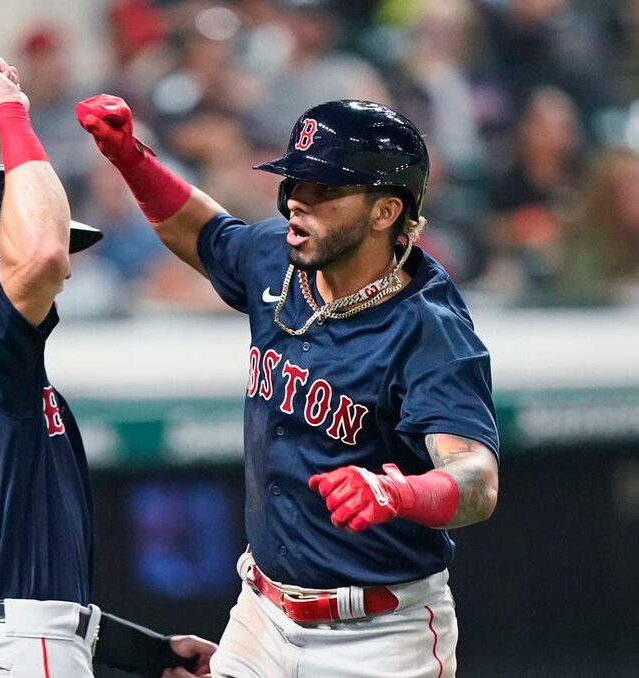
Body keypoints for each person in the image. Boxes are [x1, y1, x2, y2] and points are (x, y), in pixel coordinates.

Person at [76, 94, 500, 677]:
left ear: (385, 212)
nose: (298, 201)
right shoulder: (280, 258)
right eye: (295, 183)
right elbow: (203, 232)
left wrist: (400, 493)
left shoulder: (429, 330)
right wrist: (131, 159)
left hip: (379, 637)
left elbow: (476, 481)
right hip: (262, 611)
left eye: (325, 190)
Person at [0, 58, 216, 678]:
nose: (68, 263)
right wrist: (11, 113)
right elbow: (37, 256)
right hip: (15, 655)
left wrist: (142, 653)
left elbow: (20, 590)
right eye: (62, 239)